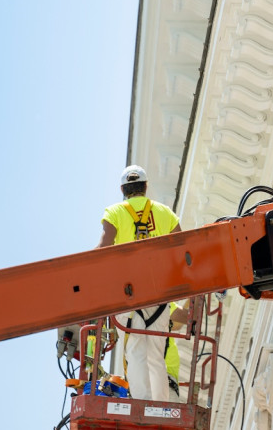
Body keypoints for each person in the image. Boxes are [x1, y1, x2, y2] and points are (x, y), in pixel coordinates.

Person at [98, 165, 181, 401]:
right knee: (156, 353)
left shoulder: (114, 212)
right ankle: (161, 405)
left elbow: (103, 249)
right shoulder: (165, 213)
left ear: (123, 189)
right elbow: (183, 250)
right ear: (145, 187)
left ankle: (142, 403)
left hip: (128, 296)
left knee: (136, 353)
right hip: (160, 297)